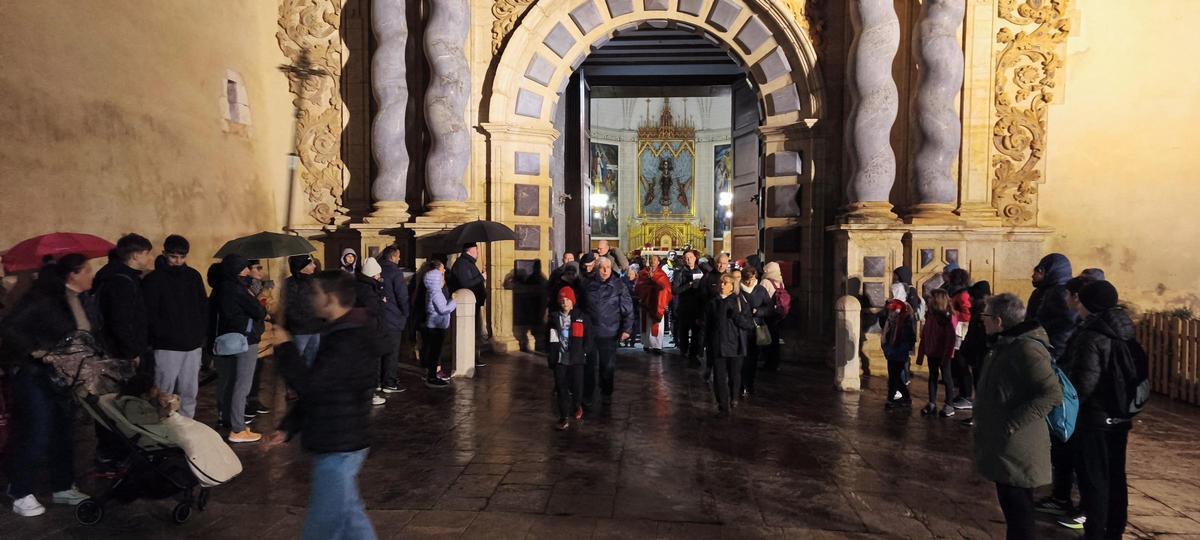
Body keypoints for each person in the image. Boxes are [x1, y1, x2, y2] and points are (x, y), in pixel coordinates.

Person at [267, 270, 380, 540]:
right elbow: (323, 390)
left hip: (339, 441)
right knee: (351, 519)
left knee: (323, 525)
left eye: (315, 293)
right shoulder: (339, 332)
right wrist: (288, 427)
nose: (311, 298)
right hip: (340, 437)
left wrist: (284, 347)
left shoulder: (347, 340)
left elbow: (312, 386)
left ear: (329, 298)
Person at [0, 255, 97, 516]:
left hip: (63, 379)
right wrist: (36, 351)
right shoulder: (44, 299)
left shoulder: (79, 299)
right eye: (87, 270)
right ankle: (20, 491)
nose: (92, 274)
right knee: (36, 432)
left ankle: (62, 486)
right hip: (35, 377)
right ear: (73, 274)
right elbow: (9, 330)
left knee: (63, 433)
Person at [973, 293, 1063, 540]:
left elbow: (1052, 393)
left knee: (1020, 513)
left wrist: (1012, 423)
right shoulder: (1006, 344)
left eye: (986, 316)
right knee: (1013, 510)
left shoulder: (1026, 348)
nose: (983, 321)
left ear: (999, 320)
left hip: (1019, 448)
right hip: (1006, 446)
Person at [1058, 280, 1135, 537]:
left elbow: (1083, 383)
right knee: (1115, 476)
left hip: (1095, 418)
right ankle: (1114, 530)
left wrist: (1066, 406)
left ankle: (1096, 531)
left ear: (1087, 302)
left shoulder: (1092, 334)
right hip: (1120, 415)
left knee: (1094, 480)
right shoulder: (1123, 329)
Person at [141, 235, 207, 418]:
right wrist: (157, 336)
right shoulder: (153, 280)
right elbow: (149, 312)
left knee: (189, 390)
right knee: (163, 391)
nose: (178, 261)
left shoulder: (193, 276)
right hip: (166, 345)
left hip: (191, 343)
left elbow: (202, 306)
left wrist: (200, 334)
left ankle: (188, 425)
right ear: (164, 254)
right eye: (173, 257)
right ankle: (162, 428)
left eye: (182, 257)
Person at [211, 254, 267, 443]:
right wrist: (256, 297)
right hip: (245, 340)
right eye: (244, 267)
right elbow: (258, 311)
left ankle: (228, 420)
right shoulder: (237, 288)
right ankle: (238, 428)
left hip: (226, 340)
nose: (248, 270)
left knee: (229, 382)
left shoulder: (220, 287)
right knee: (242, 384)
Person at [581, 256, 632, 408]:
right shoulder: (587, 285)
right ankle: (588, 394)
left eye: (608, 268)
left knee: (607, 366)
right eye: (602, 268)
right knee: (589, 366)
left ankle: (606, 393)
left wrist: (627, 329)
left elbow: (628, 309)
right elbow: (581, 307)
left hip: (609, 332)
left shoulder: (619, 285)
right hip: (590, 332)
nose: (604, 271)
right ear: (597, 268)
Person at [704, 273, 754, 418]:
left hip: (735, 345)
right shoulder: (712, 303)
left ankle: (734, 397)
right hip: (718, 345)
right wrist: (703, 345)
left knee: (734, 375)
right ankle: (723, 406)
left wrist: (735, 316)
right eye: (721, 282)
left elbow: (748, 323)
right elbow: (707, 326)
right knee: (719, 377)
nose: (722, 285)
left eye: (726, 283)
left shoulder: (739, 301)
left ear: (733, 286)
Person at [547, 287, 589, 430]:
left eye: (567, 299)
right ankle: (564, 416)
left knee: (577, 387)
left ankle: (577, 405)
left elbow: (589, 337)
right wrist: (551, 356)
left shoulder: (581, 317)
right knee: (561, 387)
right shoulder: (553, 318)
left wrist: (584, 351)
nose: (564, 301)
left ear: (572, 301)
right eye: (562, 299)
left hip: (576, 359)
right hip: (560, 358)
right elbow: (550, 338)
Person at [1026, 253, 1078, 361]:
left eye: (1039, 271)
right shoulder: (1042, 291)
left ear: (1052, 272)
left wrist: (1053, 356)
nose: (1033, 275)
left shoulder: (1060, 293)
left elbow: (1064, 328)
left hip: (1052, 353)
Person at [917, 289, 957, 417]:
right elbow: (925, 335)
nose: (929, 300)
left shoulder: (948, 317)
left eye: (932, 298)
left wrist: (947, 355)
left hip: (943, 353)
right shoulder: (931, 316)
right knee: (932, 377)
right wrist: (921, 354)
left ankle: (949, 404)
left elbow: (950, 340)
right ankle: (932, 403)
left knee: (947, 378)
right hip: (932, 352)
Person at [377, 246, 410, 392]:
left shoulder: (377, 269)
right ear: (392, 257)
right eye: (398, 256)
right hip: (393, 317)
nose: (399, 259)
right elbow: (402, 296)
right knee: (392, 352)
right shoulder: (395, 272)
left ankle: (378, 381)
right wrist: (406, 313)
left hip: (379, 317)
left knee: (380, 351)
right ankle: (389, 382)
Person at [879, 283, 916, 409]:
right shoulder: (890, 307)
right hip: (891, 346)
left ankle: (891, 399)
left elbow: (910, 331)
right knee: (893, 374)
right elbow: (883, 323)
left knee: (895, 375)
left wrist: (908, 345)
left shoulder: (906, 310)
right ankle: (905, 397)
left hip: (900, 347)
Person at [420, 260, 456, 388]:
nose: (443, 276)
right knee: (435, 353)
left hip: (435, 325)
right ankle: (432, 377)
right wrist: (454, 302)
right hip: (436, 326)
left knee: (434, 352)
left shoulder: (432, 292)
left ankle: (432, 375)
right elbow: (443, 309)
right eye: (440, 275)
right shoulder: (436, 293)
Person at [739, 266, 773, 399]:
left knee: (752, 359)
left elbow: (769, 307)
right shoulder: (738, 290)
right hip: (741, 328)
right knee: (741, 357)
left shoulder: (761, 290)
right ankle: (740, 385)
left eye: (752, 280)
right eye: (747, 280)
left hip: (755, 328)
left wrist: (759, 312)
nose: (749, 283)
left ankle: (750, 384)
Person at [284, 254, 324, 366]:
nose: (314, 265)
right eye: (310, 263)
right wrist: (298, 322)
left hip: (315, 328)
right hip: (299, 331)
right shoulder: (290, 284)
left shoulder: (316, 282)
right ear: (303, 267)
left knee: (312, 360)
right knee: (295, 361)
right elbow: (288, 307)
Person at [944, 268, 974, 409]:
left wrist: (952, 312)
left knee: (962, 364)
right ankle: (962, 394)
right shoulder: (956, 292)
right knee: (956, 363)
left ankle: (966, 396)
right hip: (955, 331)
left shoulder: (962, 295)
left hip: (961, 332)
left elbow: (968, 314)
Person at [449, 243, 489, 350]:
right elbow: (466, 284)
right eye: (476, 250)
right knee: (469, 333)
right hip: (467, 306)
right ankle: (472, 358)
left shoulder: (468, 263)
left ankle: (475, 357)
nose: (478, 253)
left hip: (474, 304)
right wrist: (481, 277)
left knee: (475, 332)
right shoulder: (462, 264)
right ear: (470, 250)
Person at [670, 250, 706, 367]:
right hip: (684, 306)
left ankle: (694, 355)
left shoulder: (702, 270)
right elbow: (675, 290)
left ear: (695, 258)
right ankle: (683, 351)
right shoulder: (679, 272)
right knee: (683, 332)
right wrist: (689, 285)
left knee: (697, 332)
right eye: (686, 258)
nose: (688, 259)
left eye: (690, 257)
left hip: (698, 306)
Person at [635, 255, 671, 355]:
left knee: (656, 325)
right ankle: (647, 345)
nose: (652, 261)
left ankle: (656, 346)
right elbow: (639, 286)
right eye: (650, 259)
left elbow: (665, 288)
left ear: (658, 262)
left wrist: (654, 278)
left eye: (654, 259)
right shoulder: (643, 273)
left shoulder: (662, 274)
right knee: (646, 325)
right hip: (646, 302)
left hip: (657, 303)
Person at [760, 261, 787, 371]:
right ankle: (775, 363)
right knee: (775, 339)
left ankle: (768, 363)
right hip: (777, 314)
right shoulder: (780, 282)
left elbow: (760, 297)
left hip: (767, 314)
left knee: (766, 338)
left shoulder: (765, 281)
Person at [622, 266, 640, 348]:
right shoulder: (623, 280)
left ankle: (632, 340)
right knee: (625, 322)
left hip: (635, 305)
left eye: (632, 274)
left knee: (634, 323)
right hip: (625, 305)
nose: (630, 276)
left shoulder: (638, 281)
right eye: (628, 274)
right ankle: (625, 340)